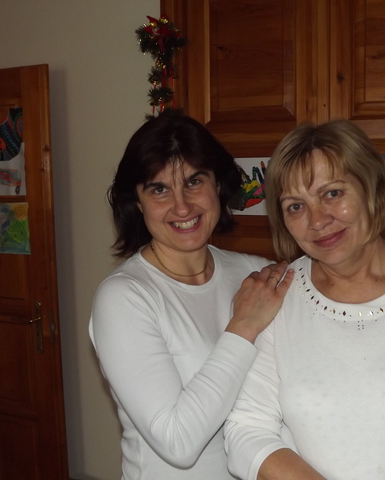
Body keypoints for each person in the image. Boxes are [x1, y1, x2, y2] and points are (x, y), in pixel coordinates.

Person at [224, 119, 385, 480]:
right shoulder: (276, 299)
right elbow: (247, 431)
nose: (317, 220)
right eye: (295, 206)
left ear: (373, 188)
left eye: (333, 193)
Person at [89, 110, 294, 480]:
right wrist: (243, 326)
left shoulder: (254, 274)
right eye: (159, 189)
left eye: (194, 181)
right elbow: (178, 443)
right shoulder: (124, 298)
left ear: (218, 185)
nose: (182, 206)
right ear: (137, 201)